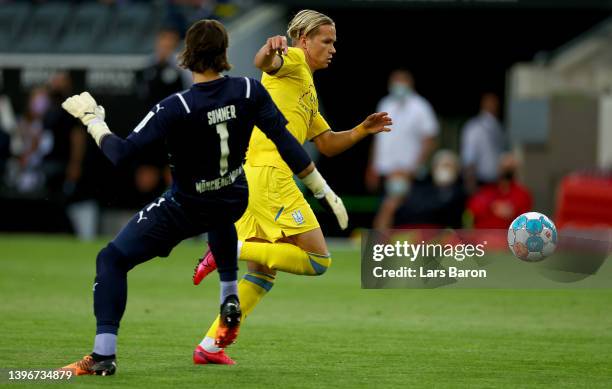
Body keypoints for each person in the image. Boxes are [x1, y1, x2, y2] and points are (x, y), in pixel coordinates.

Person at [59, 19, 340, 376]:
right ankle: (226, 296)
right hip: (233, 194)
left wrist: (93, 120)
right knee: (228, 219)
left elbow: (123, 154)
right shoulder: (249, 91)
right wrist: (319, 187)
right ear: (224, 55)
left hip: (187, 204)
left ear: (186, 57)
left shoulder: (176, 106)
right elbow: (286, 139)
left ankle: (102, 356)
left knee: (111, 260)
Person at [192, 9, 392, 364]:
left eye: (334, 42)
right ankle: (230, 250)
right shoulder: (294, 61)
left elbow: (327, 142)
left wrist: (361, 130)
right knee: (318, 260)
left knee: (262, 275)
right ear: (304, 41)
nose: (332, 48)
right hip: (271, 174)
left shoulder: (307, 89)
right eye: (326, 41)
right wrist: (270, 50)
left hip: (256, 173)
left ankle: (211, 345)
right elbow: (264, 62)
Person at [366, 69, 438, 229]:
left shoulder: (421, 107)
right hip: (385, 171)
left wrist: (413, 168)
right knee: (388, 209)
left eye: (401, 81)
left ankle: (379, 246)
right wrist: (373, 166)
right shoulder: (385, 104)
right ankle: (384, 247)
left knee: (391, 209)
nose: (398, 85)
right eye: (395, 81)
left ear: (410, 83)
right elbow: (378, 138)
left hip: (408, 173)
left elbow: (430, 139)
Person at [394, 150, 465, 229]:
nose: (444, 170)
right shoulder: (421, 189)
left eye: (449, 166)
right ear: (434, 168)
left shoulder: (461, 193)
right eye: (442, 165)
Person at [467, 153, 532, 229]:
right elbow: (473, 207)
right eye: (505, 167)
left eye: (510, 168)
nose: (507, 171)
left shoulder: (522, 193)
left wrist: (512, 210)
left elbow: (524, 216)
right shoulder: (487, 190)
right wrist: (493, 206)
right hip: (485, 236)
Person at [460, 92, 506, 193]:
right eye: (490, 102)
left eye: (494, 102)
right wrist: (470, 181)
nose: (493, 105)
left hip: (497, 181)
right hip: (480, 181)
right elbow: (469, 157)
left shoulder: (498, 126)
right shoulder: (474, 127)